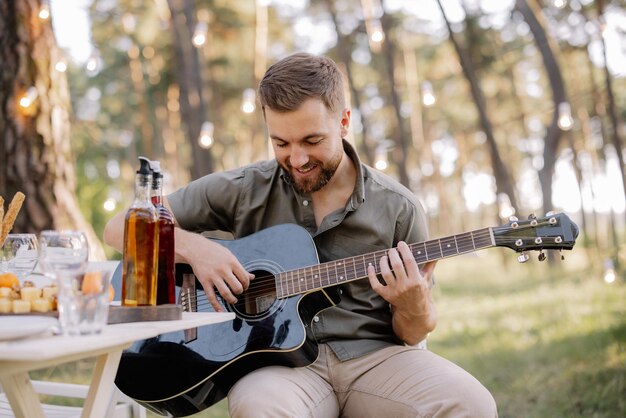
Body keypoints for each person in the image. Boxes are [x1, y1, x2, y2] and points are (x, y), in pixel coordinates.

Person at [104, 52, 497, 417]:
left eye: (312, 141)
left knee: (472, 404)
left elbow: (411, 332)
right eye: (281, 143)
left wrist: (413, 303)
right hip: (278, 367)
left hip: (374, 359)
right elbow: (118, 227)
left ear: (343, 122)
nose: (297, 159)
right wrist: (195, 249)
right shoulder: (243, 188)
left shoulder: (399, 208)